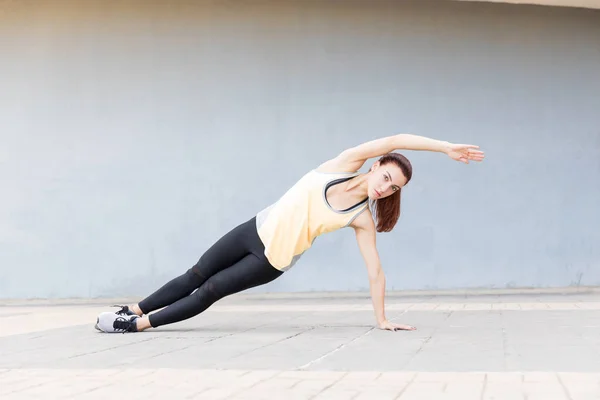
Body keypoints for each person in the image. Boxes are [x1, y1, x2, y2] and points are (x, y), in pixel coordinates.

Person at [95, 133, 484, 334]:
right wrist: (445, 147)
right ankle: (134, 309)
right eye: (386, 177)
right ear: (377, 165)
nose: (385, 188)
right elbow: (397, 139)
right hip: (254, 229)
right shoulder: (344, 163)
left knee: (210, 290)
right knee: (196, 273)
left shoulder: (361, 217)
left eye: (394, 188)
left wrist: (382, 318)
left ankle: (139, 326)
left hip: (271, 260)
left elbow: (375, 270)